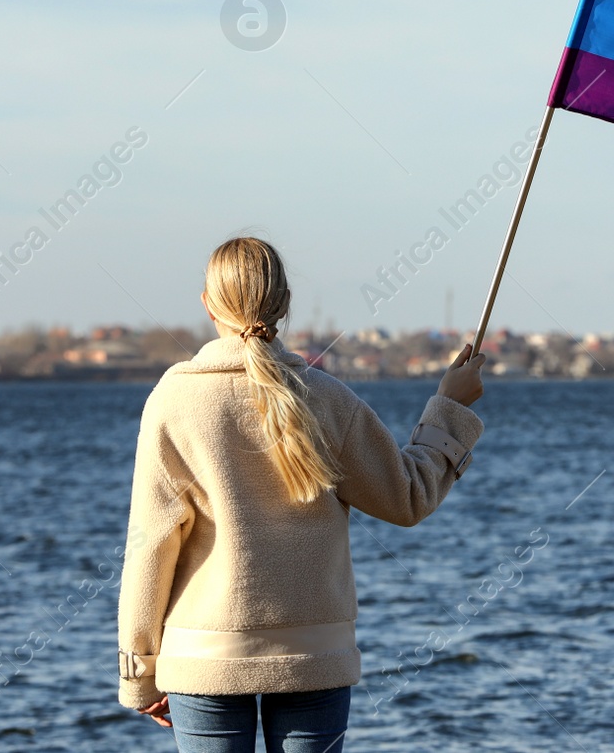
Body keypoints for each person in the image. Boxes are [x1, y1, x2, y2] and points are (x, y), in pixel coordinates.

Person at [116, 236, 487, 752]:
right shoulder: (329, 399)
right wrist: (448, 406)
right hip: (314, 655)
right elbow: (408, 497)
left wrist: (141, 673)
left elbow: (150, 545)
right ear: (285, 304)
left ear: (206, 303)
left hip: (202, 657)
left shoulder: (173, 401)